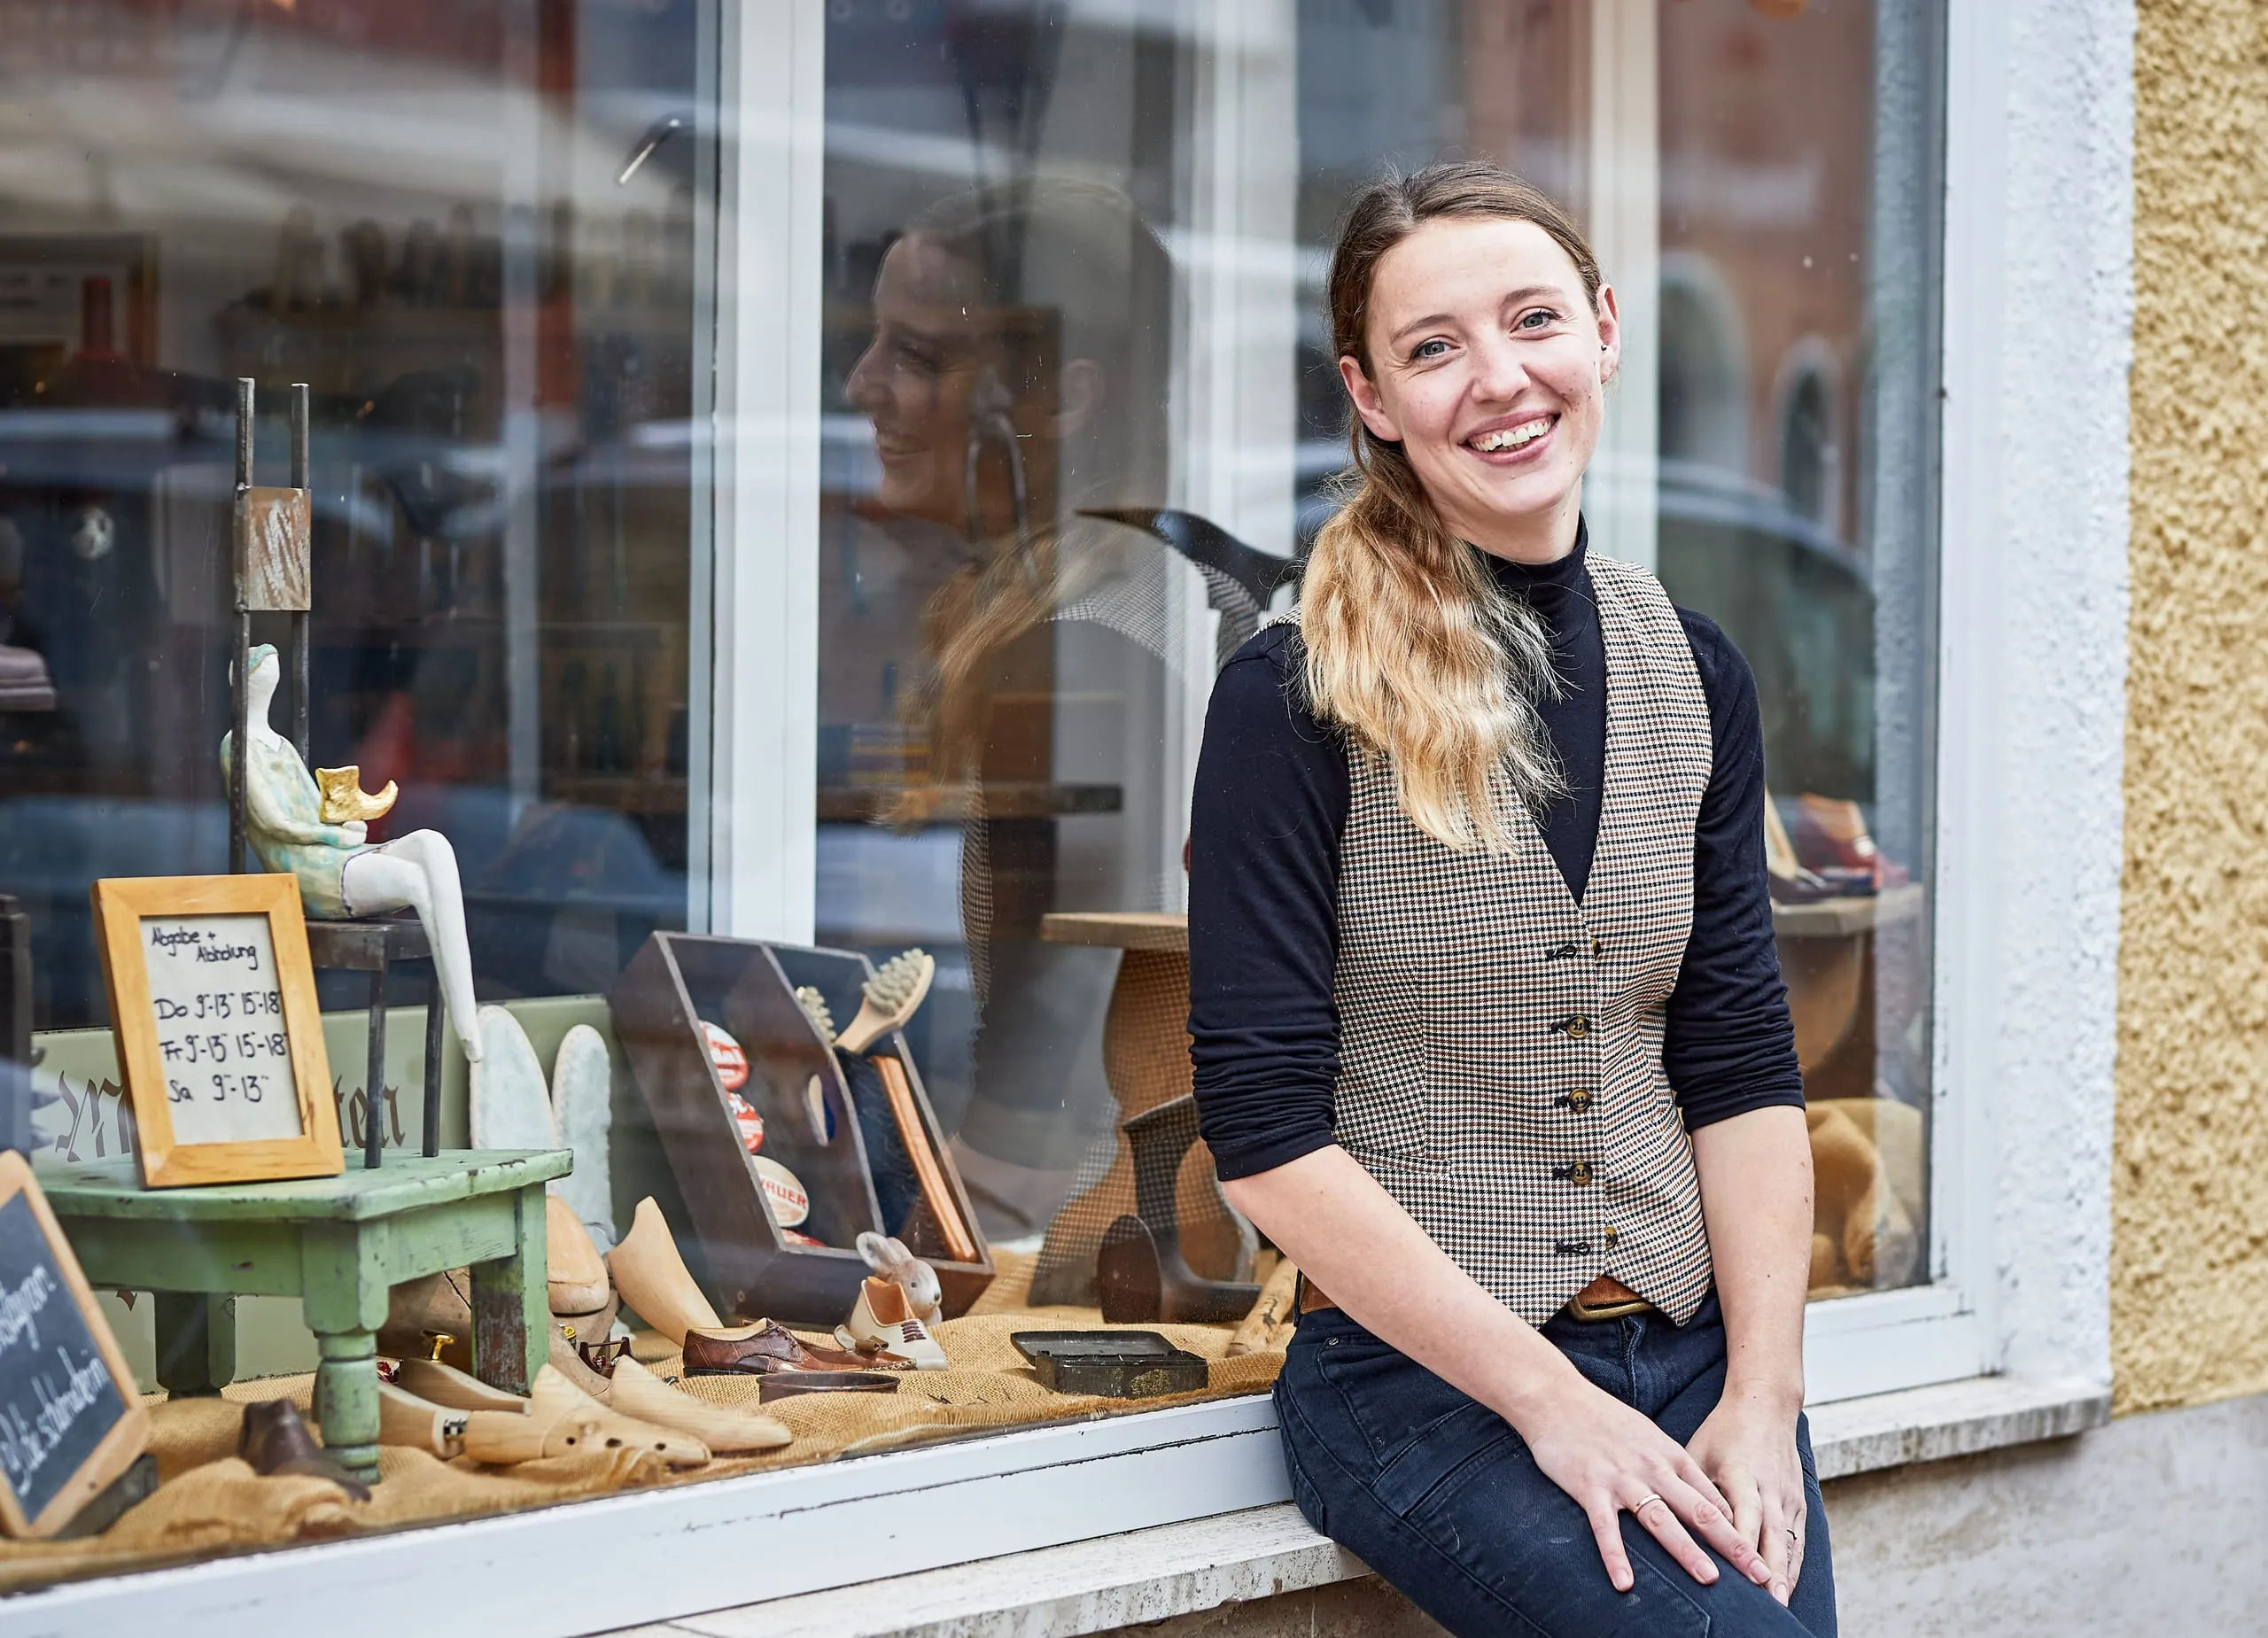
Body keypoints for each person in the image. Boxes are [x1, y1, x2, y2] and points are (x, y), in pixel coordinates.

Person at [1186, 161, 1835, 1636]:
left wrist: (1765, 1390)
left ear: (1603, 327)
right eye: (1434, 347)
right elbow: (1266, 1134)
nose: (1499, 377)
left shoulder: (1698, 670)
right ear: (1371, 396)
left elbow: (1739, 1061)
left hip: (1700, 1361)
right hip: (1425, 1391)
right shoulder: (1291, 700)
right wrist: (1553, 1401)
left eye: (1533, 319)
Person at [841, 180, 1201, 1246]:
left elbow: (1045, 1058)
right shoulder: (1147, 591)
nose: (861, 385)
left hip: (1076, 1242)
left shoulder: (1074, 652)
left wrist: (925, 1255)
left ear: (1058, 397)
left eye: (917, 355)